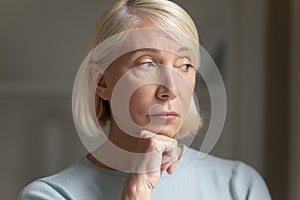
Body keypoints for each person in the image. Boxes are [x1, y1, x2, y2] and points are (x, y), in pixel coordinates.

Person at [18, 0, 271, 199]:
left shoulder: (240, 186)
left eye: (184, 65)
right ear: (101, 81)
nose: (171, 89)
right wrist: (136, 191)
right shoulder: (50, 196)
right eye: (147, 64)